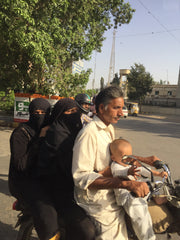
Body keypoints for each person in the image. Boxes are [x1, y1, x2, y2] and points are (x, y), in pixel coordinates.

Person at [72, 86, 160, 240]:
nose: (121, 112)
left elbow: (119, 156)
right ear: (101, 108)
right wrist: (126, 184)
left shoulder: (109, 129)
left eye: (122, 107)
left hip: (114, 191)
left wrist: (146, 160)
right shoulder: (89, 134)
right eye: (116, 108)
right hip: (97, 201)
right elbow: (80, 177)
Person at [37, 97, 96, 240]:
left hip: (73, 183)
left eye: (76, 110)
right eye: (70, 111)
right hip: (58, 186)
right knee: (86, 230)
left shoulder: (77, 130)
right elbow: (67, 165)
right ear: (60, 114)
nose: (74, 114)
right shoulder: (56, 133)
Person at [8, 98, 61, 240]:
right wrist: (40, 139)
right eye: (35, 112)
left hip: (42, 177)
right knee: (47, 210)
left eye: (43, 112)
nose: (39, 115)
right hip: (23, 181)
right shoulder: (21, 133)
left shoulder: (52, 130)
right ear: (30, 113)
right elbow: (21, 165)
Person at [110, 138, 168, 240]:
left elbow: (142, 170)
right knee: (141, 218)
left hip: (138, 192)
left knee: (152, 186)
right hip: (128, 198)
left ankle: (156, 197)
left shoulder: (129, 164)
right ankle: (146, 238)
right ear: (113, 158)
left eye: (130, 156)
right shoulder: (115, 166)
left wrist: (158, 174)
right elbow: (118, 172)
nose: (128, 159)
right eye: (124, 157)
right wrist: (128, 172)